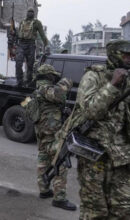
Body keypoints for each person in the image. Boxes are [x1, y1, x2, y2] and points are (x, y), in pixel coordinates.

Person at [53, 40, 130, 219]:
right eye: (125, 55)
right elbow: (90, 110)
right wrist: (113, 85)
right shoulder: (94, 77)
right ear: (114, 55)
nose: (128, 59)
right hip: (95, 155)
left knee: (123, 209)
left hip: (122, 156)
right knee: (95, 210)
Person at [34, 64, 76, 211]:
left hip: (42, 132)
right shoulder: (44, 88)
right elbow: (58, 93)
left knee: (43, 160)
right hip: (51, 133)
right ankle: (59, 198)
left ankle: (44, 190)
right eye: (53, 76)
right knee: (60, 162)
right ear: (48, 76)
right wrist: (67, 81)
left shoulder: (37, 89)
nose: (55, 77)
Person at [12, 8, 48, 86]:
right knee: (18, 63)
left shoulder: (37, 23)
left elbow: (42, 34)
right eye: (29, 12)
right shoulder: (22, 22)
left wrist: (46, 44)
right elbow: (19, 33)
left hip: (31, 45)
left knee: (30, 65)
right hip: (21, 44)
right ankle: (19, 81)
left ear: (33, 14)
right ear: (26, 13)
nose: (30, 13)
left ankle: (28, 81)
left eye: (32, 12)